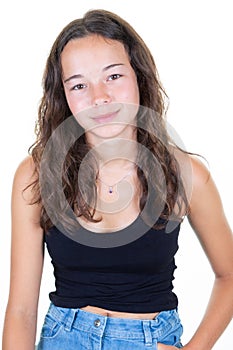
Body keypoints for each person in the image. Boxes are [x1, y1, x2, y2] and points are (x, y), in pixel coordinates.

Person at [2, 9, 233, 350]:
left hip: (148, 340)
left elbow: (229, 276)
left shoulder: (187, 175)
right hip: (63, 339)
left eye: (113, 76)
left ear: (138, 75)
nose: (99, 97)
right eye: (79, 84)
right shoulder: (36, 174)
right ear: (63, 96)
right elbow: (21, 311)